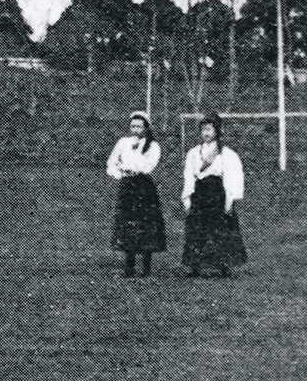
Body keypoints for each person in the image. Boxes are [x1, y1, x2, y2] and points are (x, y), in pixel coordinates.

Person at [180, 112, 248, 277]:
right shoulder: (194, 153)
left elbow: (232, 176)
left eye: (209, 129)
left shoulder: (226, 154)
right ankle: (195, 266)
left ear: (217, 131)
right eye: (203, 129)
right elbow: (189, 174)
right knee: (197, 229)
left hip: (217, 193)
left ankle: (224, 266)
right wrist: (187, 197)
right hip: (200, 193)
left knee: (220, 230)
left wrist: (229, 201)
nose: (206, 133)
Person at [106, 110, 168, 278]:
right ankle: (129, 267)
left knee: (145, 225)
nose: (135, 130)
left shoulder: (153, 146)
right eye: (133, 126)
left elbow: (147, 166)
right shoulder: (123, 142)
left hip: (143, 187)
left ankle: (146, 268)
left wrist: (131, 166)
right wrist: (119, 172)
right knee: (128, 225)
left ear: (146, 128)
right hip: (127, 187)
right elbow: (112, 162)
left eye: (139, 127)